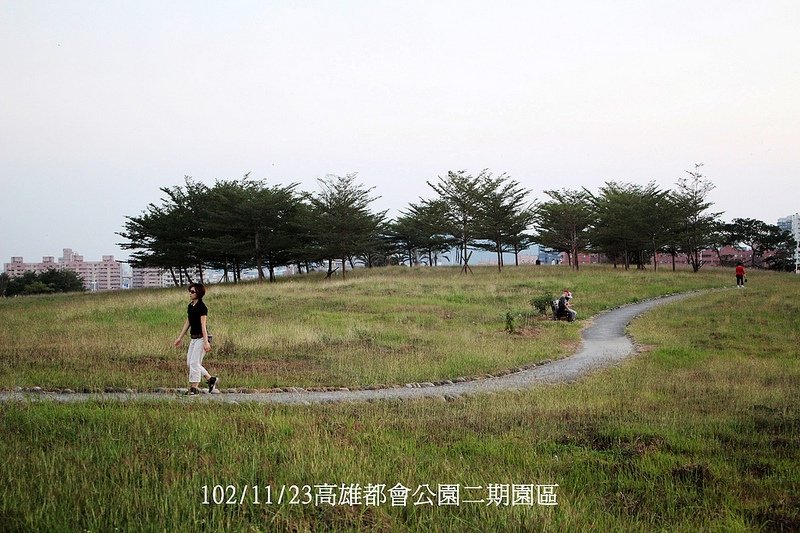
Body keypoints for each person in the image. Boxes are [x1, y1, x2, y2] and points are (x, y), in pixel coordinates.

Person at [174, 282, 218, 395]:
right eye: (190, 291)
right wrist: (180, 338)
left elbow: (203, 325)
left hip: (202, 338)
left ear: (199, 293)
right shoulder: (190, 306)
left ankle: (194, 388)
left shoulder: (202, 307)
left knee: (194, 363)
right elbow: (188, 322)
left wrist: (206, 342)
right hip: (193, 338)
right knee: (190, 363)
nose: (190, 293)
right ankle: (210, 379)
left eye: (193, 292)